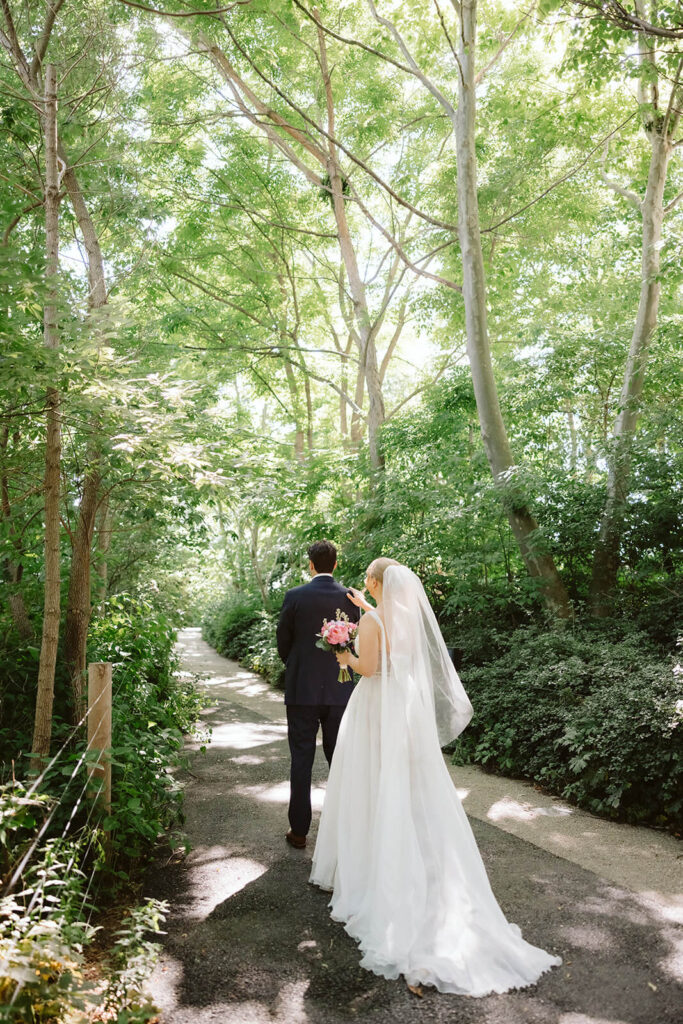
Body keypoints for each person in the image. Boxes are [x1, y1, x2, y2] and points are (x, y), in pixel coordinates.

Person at [310, 558, 562, 997]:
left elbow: (366, 668)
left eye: (368, 582)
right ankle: (423, 860)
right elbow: (395, 650)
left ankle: (375, 865)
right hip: (406, 712)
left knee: (371, 784)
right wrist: (364, 607)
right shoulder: (407, 618)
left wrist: (342, 651)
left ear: (374, 582)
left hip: (375, 711)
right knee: (408, 788)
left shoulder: (370, 623)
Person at [276, 539, 360, 850]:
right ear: (335, 564)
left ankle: (299, 831)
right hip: (340, 689)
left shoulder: (295, 596)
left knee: (301, 759)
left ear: (311, 564)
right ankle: (343, 829)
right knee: (339, 760)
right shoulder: (351, 598)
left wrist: (298, 666)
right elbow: (354, 641)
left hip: (302, 690)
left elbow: (283, 641)